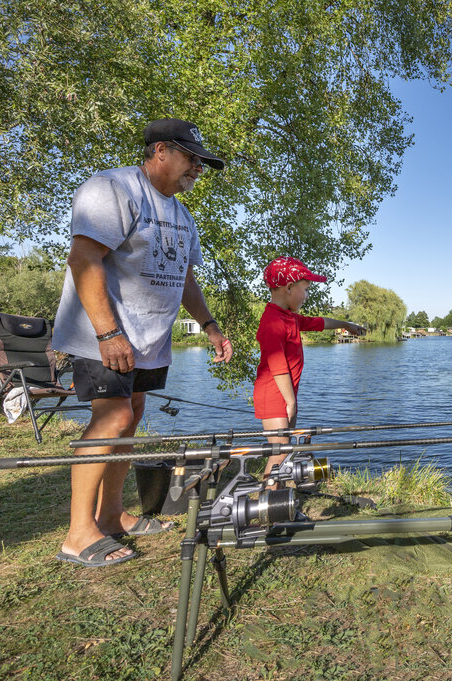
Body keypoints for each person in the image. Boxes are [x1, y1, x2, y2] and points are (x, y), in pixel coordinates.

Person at [51, 118, 233, 567]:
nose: (198, 169)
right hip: (105, 334)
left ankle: (111, 517)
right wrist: (108, 332)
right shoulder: (113, 189)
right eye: (192, 159)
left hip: (148, 339)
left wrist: (209, 325)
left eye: (201, 163)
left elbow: (184, 279)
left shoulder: (183, 215)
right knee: (111, 420)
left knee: (131, 419)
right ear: (161, 151)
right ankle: (78, 534)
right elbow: (84, 257)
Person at [254, 257, 365, 479]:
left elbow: (319, 322)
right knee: (279, 452)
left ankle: (277, 501)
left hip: (284, 394)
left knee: (283, 452)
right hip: (275, 394)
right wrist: (291, 401)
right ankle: (268, 502)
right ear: (289, 288)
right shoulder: (272, 321)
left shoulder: (289, 317)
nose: (306, 296)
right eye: (305, 290)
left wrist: (345, 324)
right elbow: (278, 366)